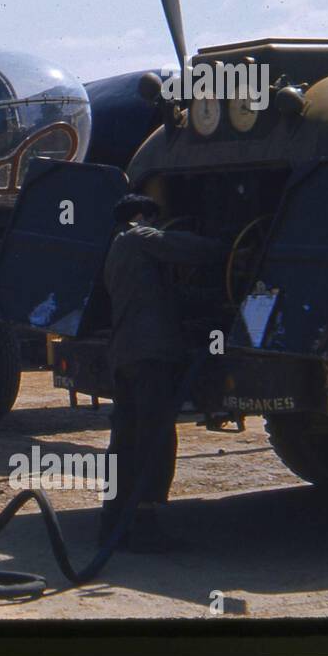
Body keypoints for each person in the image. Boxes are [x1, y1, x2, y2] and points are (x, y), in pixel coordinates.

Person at [100, 193, 227, 552]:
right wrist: (230, 247)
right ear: (141, 216)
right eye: (154, 219)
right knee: (155, 437)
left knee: (125, 438)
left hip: (125, 354)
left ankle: (113, 521)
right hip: (150, 354)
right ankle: (145, 523)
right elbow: (186, 248)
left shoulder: (115, 251)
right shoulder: (138, 237)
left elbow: (157, 297)